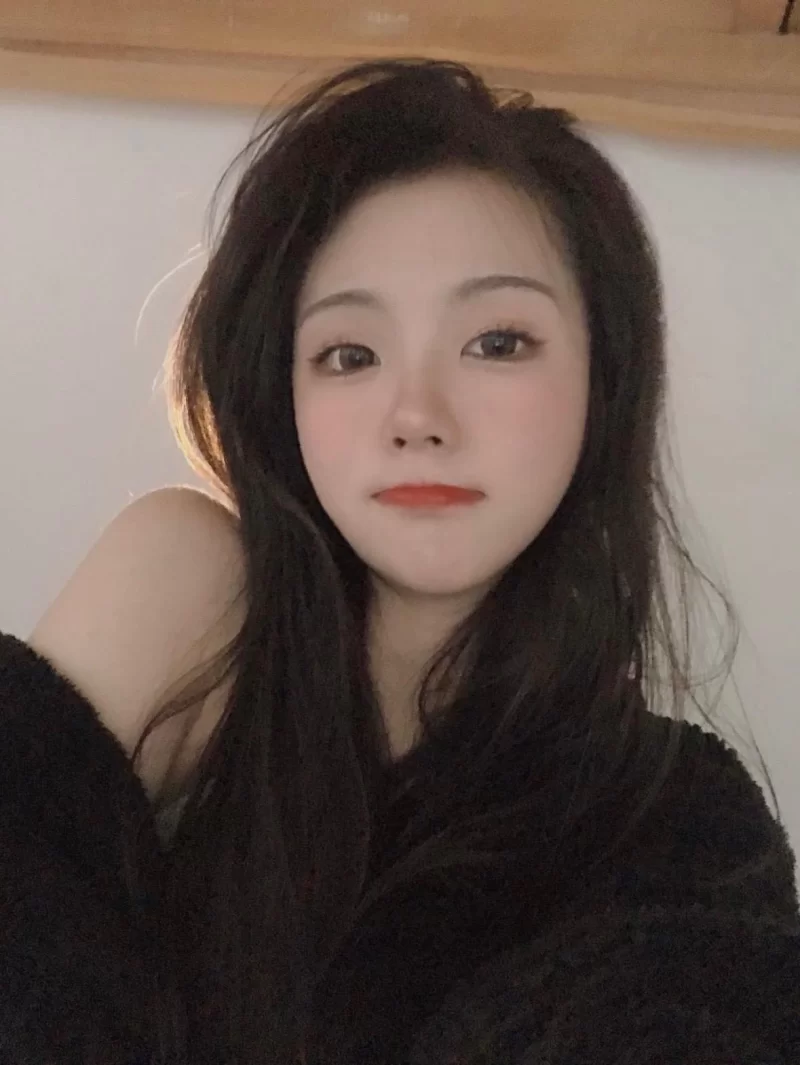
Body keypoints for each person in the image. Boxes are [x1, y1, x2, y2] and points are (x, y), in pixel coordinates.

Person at [1, 56, 798, 1065]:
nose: (416, 415)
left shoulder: (680, 824)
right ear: (281, 397)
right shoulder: (186, 603)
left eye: (497, 342)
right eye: (350, 354)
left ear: (604, 381)